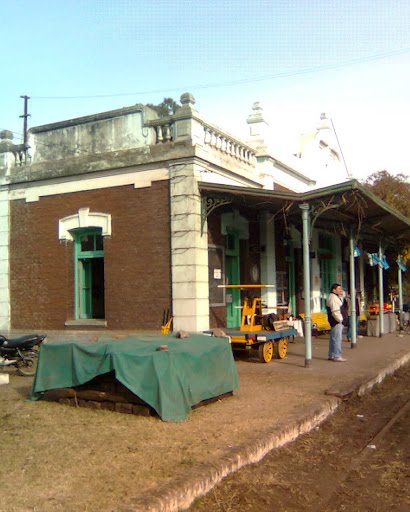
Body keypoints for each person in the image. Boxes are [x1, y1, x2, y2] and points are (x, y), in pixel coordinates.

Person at [326, 283, 348, 362]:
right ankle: (336, 355)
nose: (340, 290)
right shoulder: (333, 298)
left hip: (335, 321)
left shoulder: (335, 297)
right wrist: (340, 320)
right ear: (334, 290)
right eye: (339, 289)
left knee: (334, 338)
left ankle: (332, 354)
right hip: (336, 321)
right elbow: (335, 311)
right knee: (337, 339)